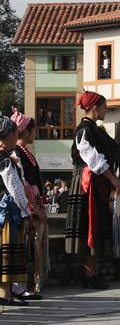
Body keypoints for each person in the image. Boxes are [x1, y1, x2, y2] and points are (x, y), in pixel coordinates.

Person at [66, 92, 120, 289]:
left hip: (95, 183)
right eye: (104, 106)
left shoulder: (94, 129)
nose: (106, 109)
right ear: (94, 108)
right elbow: (93, 160)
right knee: (89, 226)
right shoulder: (84, 130)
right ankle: (89, 274)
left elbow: (112, 151)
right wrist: (113, 178)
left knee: (95, 226)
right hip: (87, 184)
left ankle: (92, 272)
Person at [10, 110, 45, 300]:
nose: (35, 134)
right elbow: (24, 183)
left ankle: (31, 283)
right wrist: (35, 207)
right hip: (27, 205)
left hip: (32, 202)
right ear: (24, 132)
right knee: (26, 246)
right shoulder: (16, 153)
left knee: (31, 246)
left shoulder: (24, 152)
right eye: (33, 130)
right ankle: (23, 285)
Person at [0, 115, 31, 306]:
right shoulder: (4, 160)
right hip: (8, 211)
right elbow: (15, 187)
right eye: (15, 134)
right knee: (8, 251)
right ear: (9, 135)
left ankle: (6, 293)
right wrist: (25, 210)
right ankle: (5, 294)